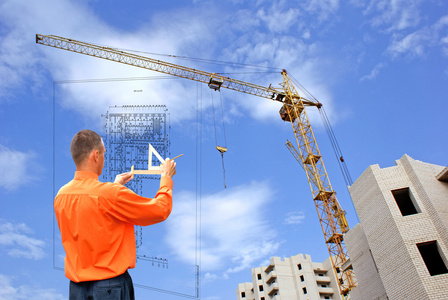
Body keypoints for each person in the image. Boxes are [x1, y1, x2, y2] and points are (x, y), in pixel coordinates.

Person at [54, 129, 176, 300]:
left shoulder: (61, 196)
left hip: (76, 289)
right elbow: (160, 210)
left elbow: (90, 220)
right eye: (104, 153)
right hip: (110, 287)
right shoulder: (111, 195)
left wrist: (115, 186)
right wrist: (166, 178)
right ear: (96, 155)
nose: (104, 157)